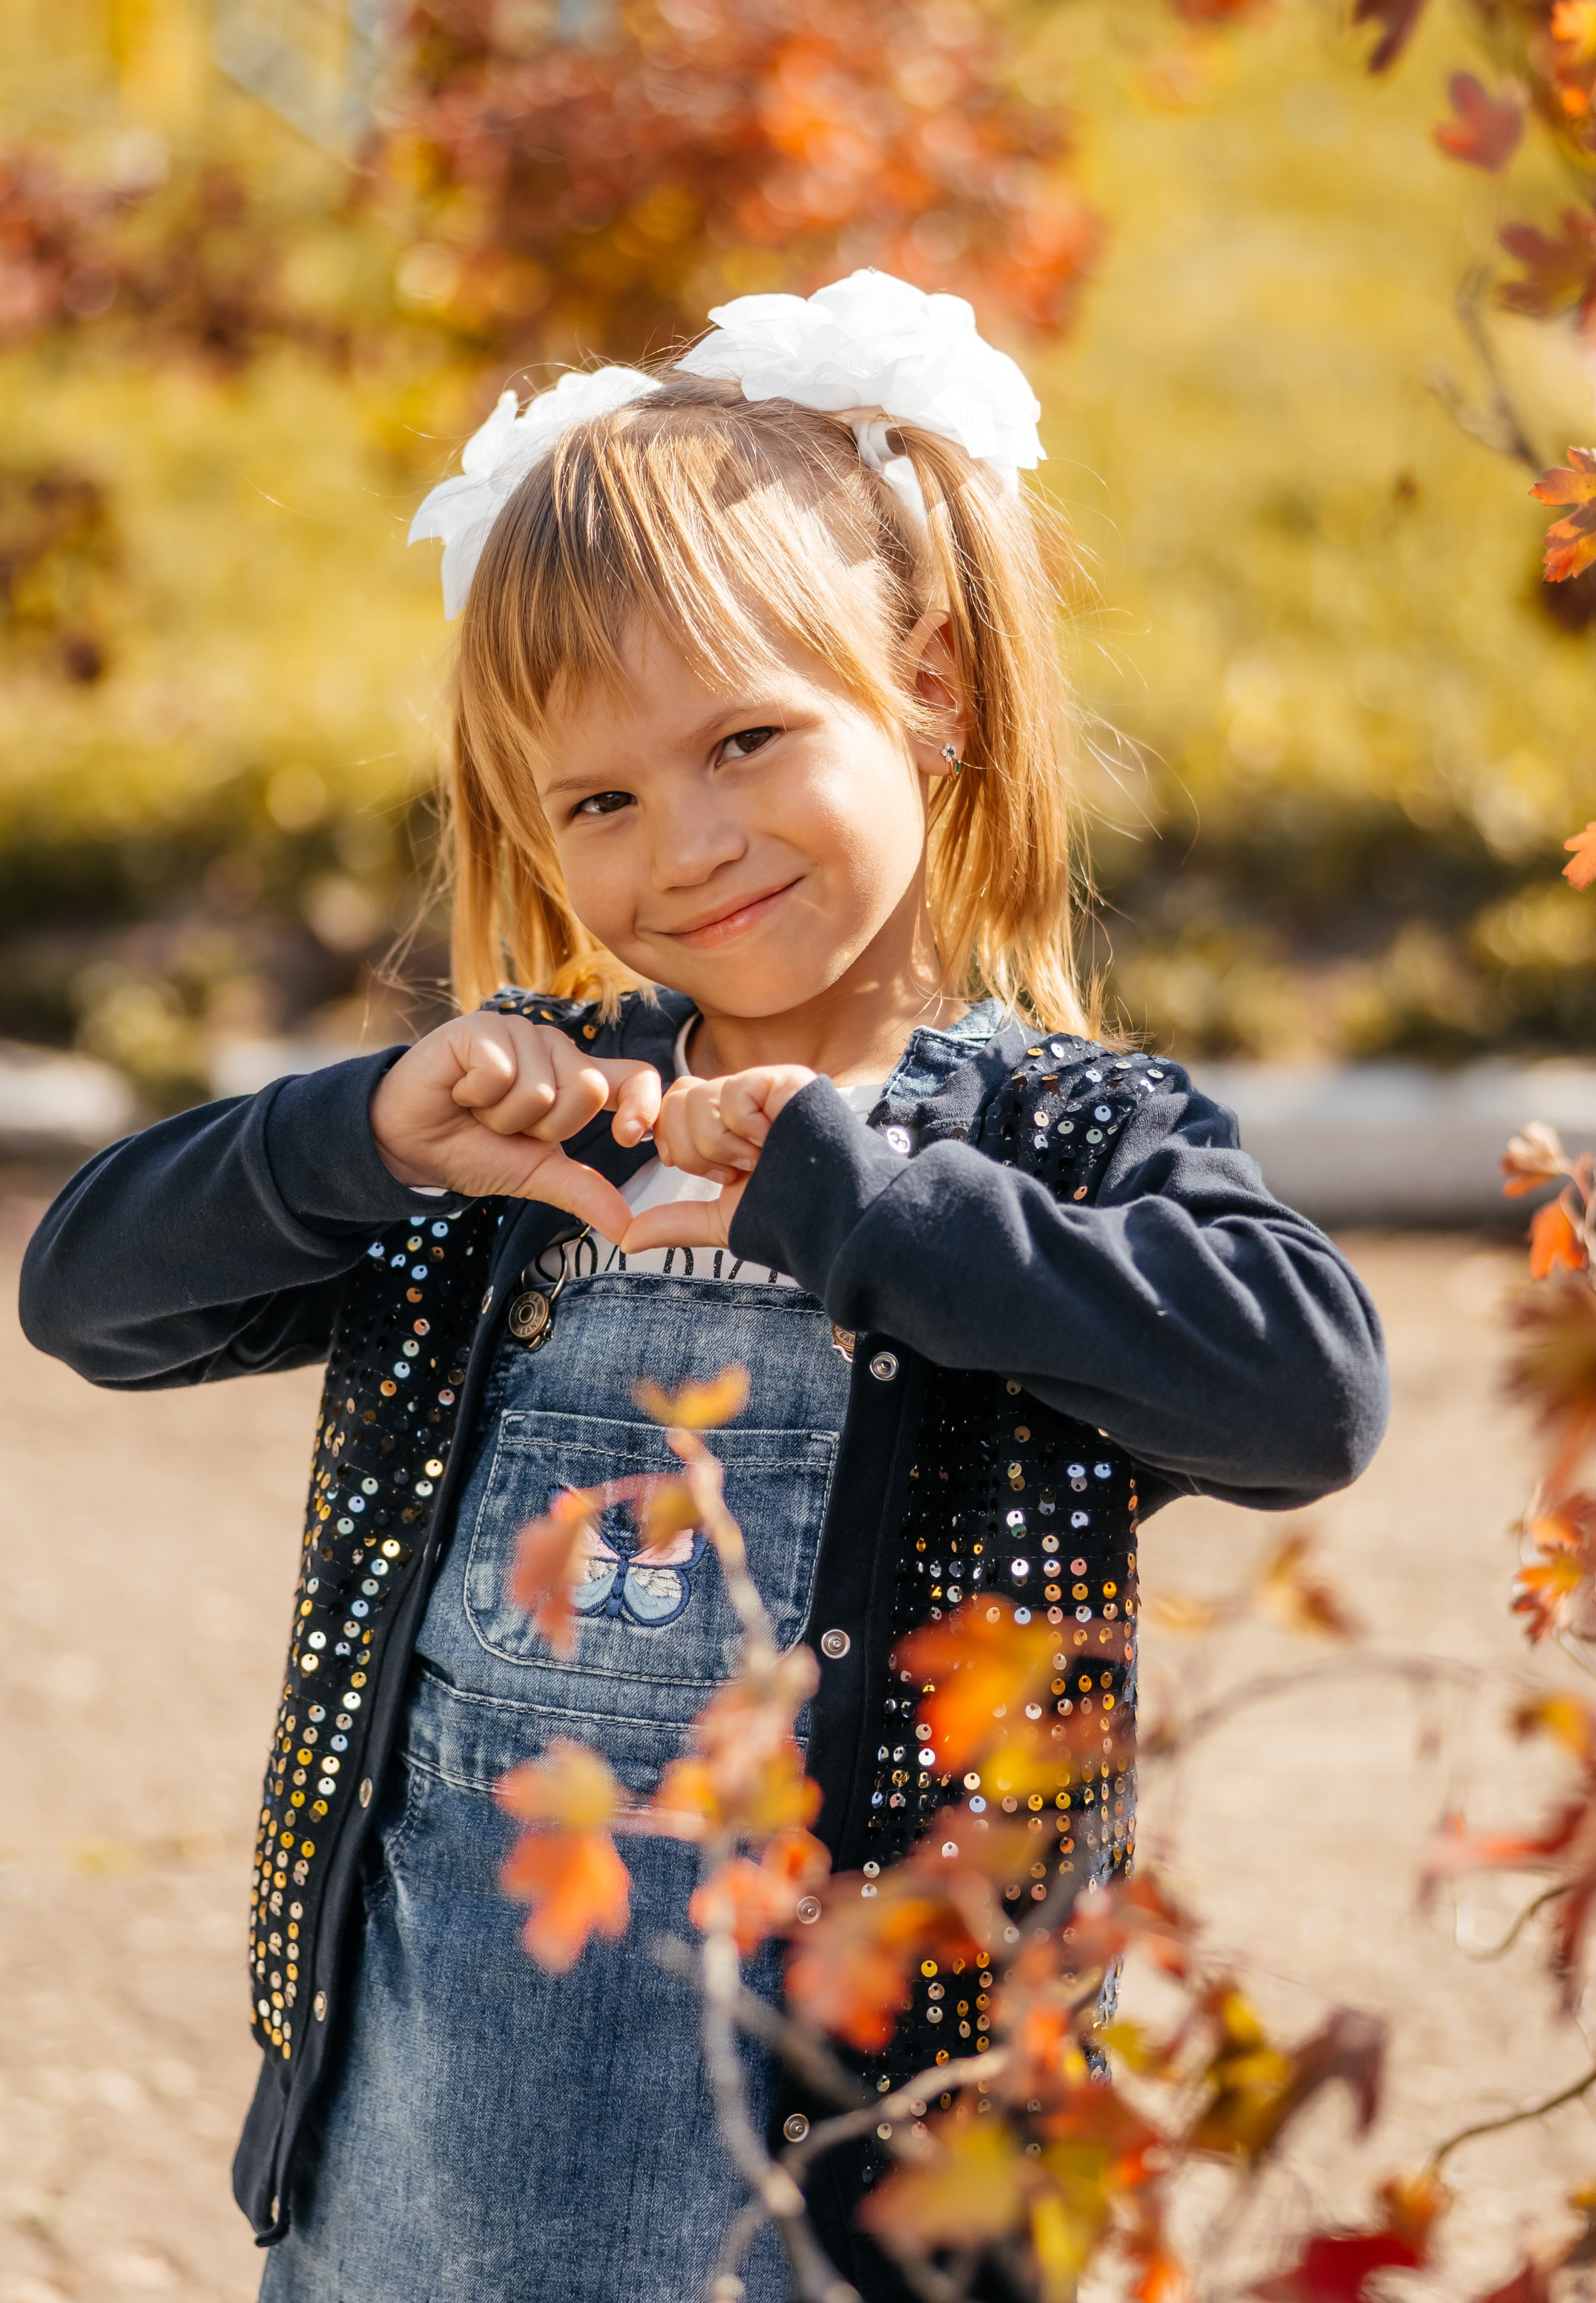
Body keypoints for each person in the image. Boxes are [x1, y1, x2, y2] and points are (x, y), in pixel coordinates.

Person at [19, 269, 1389, 2303]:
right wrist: (359, 1137)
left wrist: (859, 1203)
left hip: (853, 2199)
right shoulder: (526, 1141)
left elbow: (1308, 1396)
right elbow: (89, 1300)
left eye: (748, 738)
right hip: (421, 2172)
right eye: (602, 800)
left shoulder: (1050, 1141)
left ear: (926, 684)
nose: (691, 845)